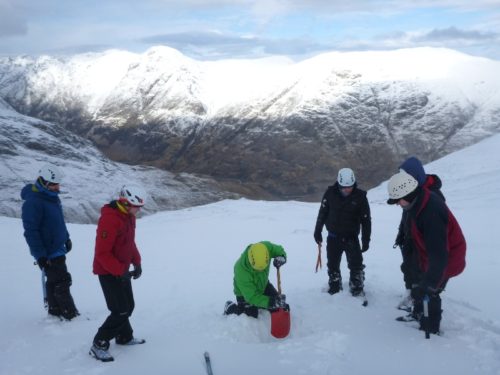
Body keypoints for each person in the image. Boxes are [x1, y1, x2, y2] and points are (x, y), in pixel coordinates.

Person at [387, 170, 466, 334]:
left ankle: (430, 329)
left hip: (448, 259)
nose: (397, 204)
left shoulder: (431, 212)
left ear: (407, 194)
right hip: (431, 256)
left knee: (431, 292)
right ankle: (419, 315)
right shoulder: (418, 201)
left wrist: (429, 285)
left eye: (398, 200)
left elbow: (439, 256)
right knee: (422, 287)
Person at [89, 185, 146, 362]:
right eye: (137, 206)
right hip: (108, 272)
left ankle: (124, 337)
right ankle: (99, 343)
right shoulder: (110, 220)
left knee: (128, 306)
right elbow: (102, 253)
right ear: (125, 203)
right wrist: (120, 271)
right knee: (120, 310)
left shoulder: (128, 217)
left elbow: (129, 243)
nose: (139, 210)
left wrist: (136, 262)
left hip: (121, 270)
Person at [21, 164, 79, 320]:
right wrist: (40, 256)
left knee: (54, 280)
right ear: (44, 182)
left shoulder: (51, 197)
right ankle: (70, 314)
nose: (57, 187)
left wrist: (66, 238)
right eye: (54, 184)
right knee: (62, 280)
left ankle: (55, 311)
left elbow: (58, 222)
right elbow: (31, 232)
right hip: (48, 251)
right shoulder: (33, 203)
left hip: (58, 246)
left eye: (57, 184)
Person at [392, 157, 445, 311]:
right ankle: (413, 300)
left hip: (422, 242)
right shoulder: (409, 189)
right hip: (409, 238)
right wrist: (401, 233)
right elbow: (407, 215)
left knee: (421, 275)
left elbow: (435, 225)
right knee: (408, 269)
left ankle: (422, 310)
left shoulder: (432, 195)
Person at [314, 168, 371, 296]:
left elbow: (366, 220)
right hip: (333, 237)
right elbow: (322, 213)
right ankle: (334, 287)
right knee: (333, 265)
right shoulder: (330, 193)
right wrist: (318, 231)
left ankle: (357, 288)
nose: (346, 190)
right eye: (343, 187)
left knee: (356, 265)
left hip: (351, 238)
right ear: (338, 184)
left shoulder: (360, 197)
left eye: (349, 187)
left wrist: (366, 239)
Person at [224, 241, 288, 318]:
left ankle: (261, 303)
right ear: (251, 262)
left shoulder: (266, 247)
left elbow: (278, 250)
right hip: (245, 293)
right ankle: (230, 308)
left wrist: (282, 257)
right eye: (257, 269)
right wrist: (270, 302)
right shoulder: (241, 271)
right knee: (252, 315)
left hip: (263, 284)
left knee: (279, 305)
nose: (261, 271)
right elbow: (252, 297)